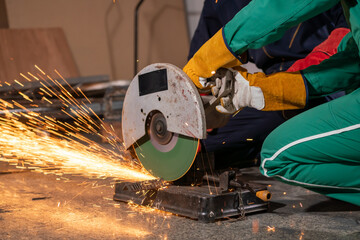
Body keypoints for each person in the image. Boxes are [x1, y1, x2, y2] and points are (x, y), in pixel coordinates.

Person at [183, 0, 360, 206]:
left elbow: (280, 7)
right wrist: (267, 89)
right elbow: (353, 59)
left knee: (275, 158)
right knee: (206, 146)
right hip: (305, 80)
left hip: (326, 88)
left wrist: (211, 55)